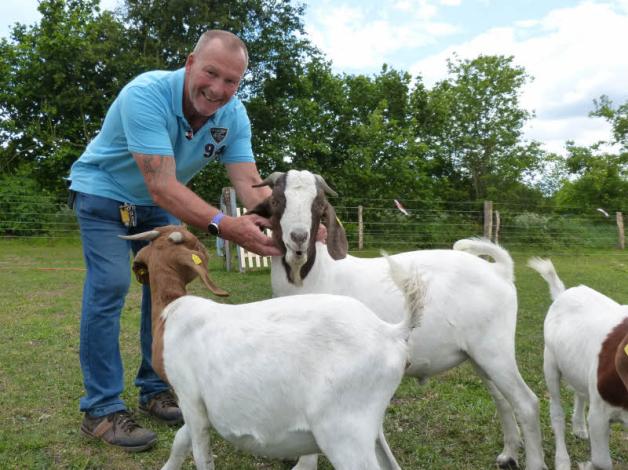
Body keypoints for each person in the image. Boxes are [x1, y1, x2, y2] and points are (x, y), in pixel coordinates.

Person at [67, 30, 281, 452]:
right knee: (111, 285)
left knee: (167, 290)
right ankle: (101, 408)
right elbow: (162, 186)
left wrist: (296, 219)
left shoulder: (233, 115)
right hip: (103, 191)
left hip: (155, 201)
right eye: (211, 73)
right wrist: (225, 224)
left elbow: (251, 188)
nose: (218, 89)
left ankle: (155, 388)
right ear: (189, 63)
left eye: (231, 81)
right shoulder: (144, 94)